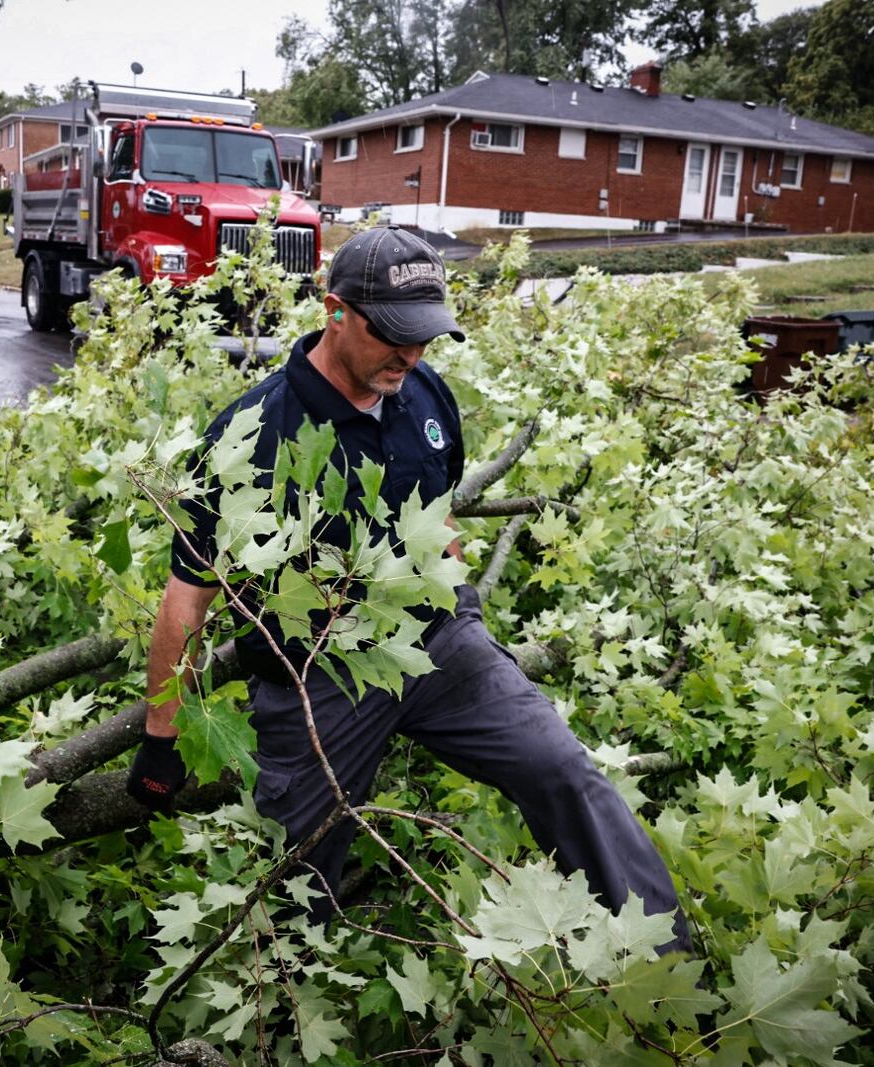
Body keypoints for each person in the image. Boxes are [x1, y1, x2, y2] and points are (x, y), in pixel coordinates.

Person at [126, 226, 691, 952]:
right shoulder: (250, 433)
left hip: (436, 640)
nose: (412, 354)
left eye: (424, 336)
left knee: (564, 768)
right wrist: (160, 737)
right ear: (335, 310)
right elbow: (187, 596)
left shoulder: (424, 395)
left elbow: (440, 512)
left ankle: (669, 964)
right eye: (393, 334)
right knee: (300, 880)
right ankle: (293, 1004)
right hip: (318, 675)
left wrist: (462, 605)